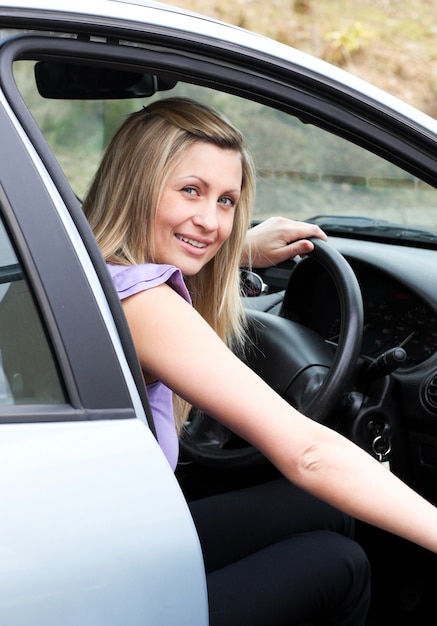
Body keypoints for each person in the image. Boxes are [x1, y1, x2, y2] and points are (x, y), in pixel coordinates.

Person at [83, 97, 437, 625]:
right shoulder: (145, 305)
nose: (210, 221)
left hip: (105, 538)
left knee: (326, 511)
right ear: (136, 187)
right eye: (189, 191)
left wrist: (239, 250)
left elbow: (169, 253)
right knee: (338, 564)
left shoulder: (71, 266)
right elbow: (310, 454)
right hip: (102, 585)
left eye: (227, 201)